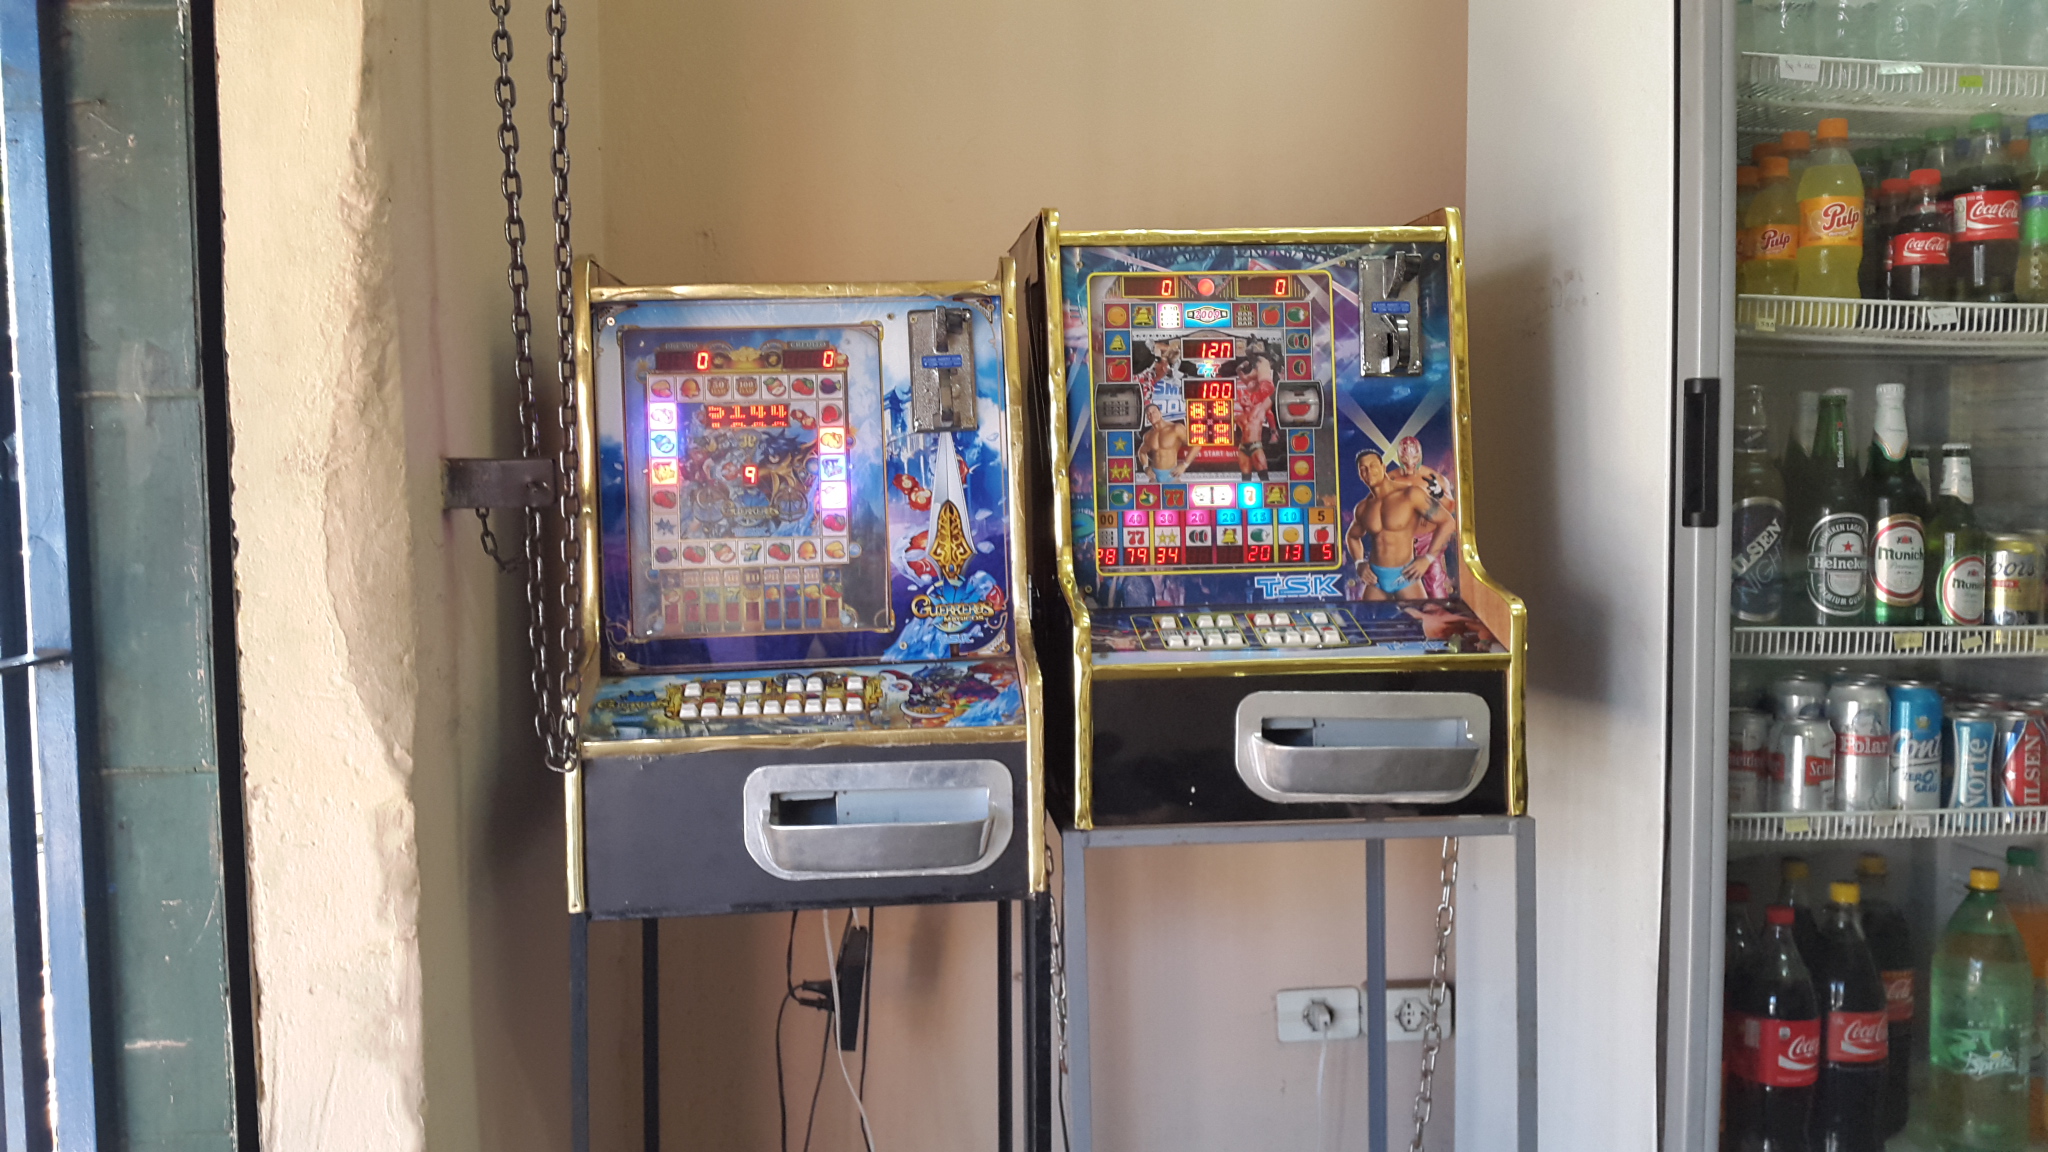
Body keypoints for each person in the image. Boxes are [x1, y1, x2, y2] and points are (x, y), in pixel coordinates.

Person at [1345, 451, 1456, 600]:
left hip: (1405, 576)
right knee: (1366, 615)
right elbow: (1352, 536)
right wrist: (1359, 563)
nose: (1369, 472)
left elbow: (1447, 522)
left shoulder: (1410, 494)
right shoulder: (1363, 507)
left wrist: (1428, 559)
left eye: (1373, 466)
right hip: (1376, 578)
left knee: (1424, 615)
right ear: (1360, 474)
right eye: (1363, 469)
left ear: (1383, 467)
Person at [1233, 351, 1278, 481]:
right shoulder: (1238, 417)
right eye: (1243, 397)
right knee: (1245, 478)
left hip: (1255, 445)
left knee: (1264, 477)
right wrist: (1241, 366)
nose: (1245, 397)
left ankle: (1274, 433)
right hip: (1242, 447)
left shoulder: (1259, 409)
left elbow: (1273, 395)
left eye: (1247, 397)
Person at [1136, 403, 1190, 482]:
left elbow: (1196, 445)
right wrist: (1146, 467)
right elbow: (1141, 452)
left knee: (1177, 489)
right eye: (1148, 414)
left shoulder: (1175, 428)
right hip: (1155, 476)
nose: (1151, 415)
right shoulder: (1148, 435)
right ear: (1147, 417)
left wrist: (1184, 465)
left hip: (1172, 475)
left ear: (1160, 413)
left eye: (1154, 412)